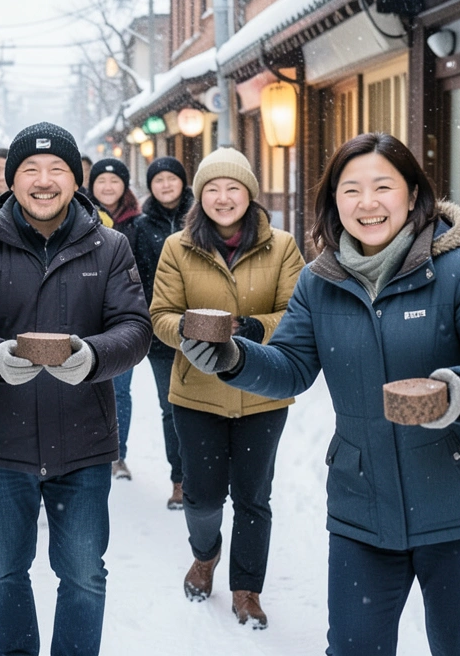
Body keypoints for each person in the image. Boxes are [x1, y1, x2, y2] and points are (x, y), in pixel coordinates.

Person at [180, 133, 460, 655]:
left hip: (458, 503)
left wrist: (458, 391)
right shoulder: (318, 282)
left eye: (383, 186)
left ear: (413, 195)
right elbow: (291, 366)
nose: (367, 203)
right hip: (361, 506)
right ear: (334, 201)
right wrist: (234, 358)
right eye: (351, 190)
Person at [0, 122, 151, 656]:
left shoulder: (110, 247)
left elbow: (134, 326)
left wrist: (94, 356)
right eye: (29, 169)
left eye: (57, 168)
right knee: (5, 570)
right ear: (9, 180)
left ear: (76, 179)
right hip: (0, 441)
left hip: (84, 440)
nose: (43, 180)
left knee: (84, 573)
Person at [149, 147, 305, 629]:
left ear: (249, 194)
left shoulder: (282, 246)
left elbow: (297, 314)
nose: (223, 197)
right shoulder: (178, 247)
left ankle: (246, 589)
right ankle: (205, 554)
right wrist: (189, 329)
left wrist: (253, 329)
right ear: (199, 197)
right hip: (197, 392)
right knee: (202, 496)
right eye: (212, 189)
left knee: (254, 496)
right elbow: (160, 315)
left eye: (233, 188)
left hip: (263, 391)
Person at [129, 156, 194, 509]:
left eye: (172, 178)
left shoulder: (202, 217)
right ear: (150, 186)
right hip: (161, 331)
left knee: (208, 406)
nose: (166, 185)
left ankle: (208, 476)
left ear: (183, 182)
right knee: (171, 408)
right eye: (159, 180)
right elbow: (133, 277)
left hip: (204, 326)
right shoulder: (140, 227)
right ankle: (180, 480)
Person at [87, 157, 141, 482]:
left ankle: (117, 455)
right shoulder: (79, 217)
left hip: (123, 319)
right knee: (82, 387)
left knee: (120, 390)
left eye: (115, 181)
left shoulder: (137, 222)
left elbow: (145, 271)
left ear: (125, 185)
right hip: (85, 316)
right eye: (101, 181)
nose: (108, 187)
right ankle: (87, 451)